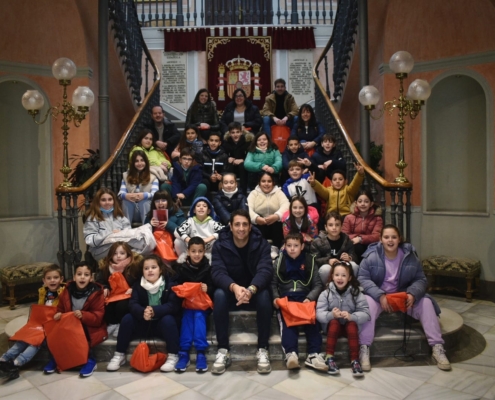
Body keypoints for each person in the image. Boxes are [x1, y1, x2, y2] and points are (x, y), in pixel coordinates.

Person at [357, 225, 451, 372]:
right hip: (379, 297)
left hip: (403, 296)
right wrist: (379, 295)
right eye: (386, 237)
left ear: (399, 239)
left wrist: (412, 293)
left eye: (394, 237)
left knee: (426, 302)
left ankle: (437, 347)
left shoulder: (410, 255)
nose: (390, 240)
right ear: (380, 239)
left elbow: (421, 279)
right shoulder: (371, 256)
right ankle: (364, 348)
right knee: (366, 304)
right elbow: (362, 278)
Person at [210, 210, 274, 375]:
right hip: (232, 292)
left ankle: (262, 349)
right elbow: (217, 272)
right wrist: (234, 287)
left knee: (266, 295)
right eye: (237, 224)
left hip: (254, 290)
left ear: (250, 227)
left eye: (245, 224)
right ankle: (223, 350)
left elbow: (266, 270)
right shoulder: (220, 245)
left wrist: (251, 289)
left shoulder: (261, 244)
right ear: (230, 227)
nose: (241, 228)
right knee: (218, 294)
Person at [106, 255, 182, 372]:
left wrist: (154, 311)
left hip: (161, 325)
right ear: (142, 271)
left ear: (160, 269)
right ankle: (119, 354)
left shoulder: (169, 284)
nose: (150, 270)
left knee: (169, 320)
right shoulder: (138, 285)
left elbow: (173, 306)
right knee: (127, 319)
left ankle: (173, 355)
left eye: (153, 267)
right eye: (146, 268)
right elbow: (133, 304)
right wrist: (143, 312)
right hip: (144, 322)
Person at [272, 233, 326, 372]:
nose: (292, 249)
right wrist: (276, 298)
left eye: (296, 246)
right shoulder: (279, 260)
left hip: (305, 297)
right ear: (284, 246)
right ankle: (291, 354)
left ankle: (313, 355)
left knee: (312, 323)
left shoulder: (310, 260)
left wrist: (310, 298)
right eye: (289, 245)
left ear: (302, 246)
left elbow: (318, 285)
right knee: (288, 324)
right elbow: (273, 283)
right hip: (286, 299)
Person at [0, 265, 65, 380]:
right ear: (44, 281)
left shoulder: (64, 293)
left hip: (53, 326)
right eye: (49, 278)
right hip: (40, 324)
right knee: (24, 339)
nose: (52, 280)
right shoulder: (43, 292)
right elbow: (40, 309)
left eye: (56, 277)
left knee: (35, 343)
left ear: (61, 279)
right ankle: (4, 359)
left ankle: (16, 363)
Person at [44, 262, 106, 377]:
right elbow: (60, 308)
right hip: (71, 325)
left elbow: (98, 317)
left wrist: (83, 315)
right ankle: (57, 358)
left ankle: (90, 360)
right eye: (79, 274)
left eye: (86, 275)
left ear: (91, 278)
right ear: (74, 277)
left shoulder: (96, 293)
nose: (82, 277)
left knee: (84, 331)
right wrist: (58, 314)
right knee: (57, 330)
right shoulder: (66, 291)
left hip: (90, 326)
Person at [316, 261, 370, 377]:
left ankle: (355, 360)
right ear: (332, 277)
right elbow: (319, 314)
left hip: (349, 329)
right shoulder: (326, 293)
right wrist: (331, 315)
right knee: (334, 322)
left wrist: (352, 316)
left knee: (351, 324)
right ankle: (329, 357)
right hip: (332, 328)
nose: (340, 278)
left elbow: (365, 313)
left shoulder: (356, 293)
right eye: (337, 275)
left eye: (344, 275)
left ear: (349, 278)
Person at [172, 237, 215, 373]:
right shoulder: (180, 267)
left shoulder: (209, 267)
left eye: (200, 251)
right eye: (194, 251)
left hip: (203, 306)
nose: (197, 254)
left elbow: (216, 285)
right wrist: (182, 289)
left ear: (204, 252)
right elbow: (173, 285)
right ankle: (184, 352)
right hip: (186, 305)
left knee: (198, 316)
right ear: (188, 252)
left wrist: (208, 288)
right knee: (186, 318)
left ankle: (200, 352)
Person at [97, 242, 142, 338]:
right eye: (115, 253)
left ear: (128, 254)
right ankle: (112, 324)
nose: (118, 256)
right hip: (112, 295)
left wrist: (133, 288)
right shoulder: (106, 267)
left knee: (122, 306)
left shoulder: (134, 266)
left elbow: (139, 280)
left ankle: (121, 325)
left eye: (122, 253)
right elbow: (100, 280)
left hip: (127, 294)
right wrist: (105, 287)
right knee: (107, 306)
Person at [310, 212, 357, 285]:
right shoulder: (317, 242)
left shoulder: (346, 240)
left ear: (341, 227)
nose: (334, 228)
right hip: (329, 268)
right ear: (326, 227)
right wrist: (328, 260)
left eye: (337, 225)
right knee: (325, 269)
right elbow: (314, 259)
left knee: (354, 265)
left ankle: (350, 287)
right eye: (330, 225)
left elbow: (354, 255)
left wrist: (349, 257)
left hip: (343, 268)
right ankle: (328, 289)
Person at [84, 188, 131, 261]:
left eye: (110, 199)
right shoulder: (92, 218)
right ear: (98, 202)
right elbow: (90, 240)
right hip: (100, 250)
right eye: (103, 200)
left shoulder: (120, 216)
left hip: (120, 247)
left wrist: (121, 234)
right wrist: (109, 233)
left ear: (114, 201)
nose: (107, 202)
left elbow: (129, 232)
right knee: (119, 250)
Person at [247, 172, 289, 249]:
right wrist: (256, 218)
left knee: (278, 221)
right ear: (259, 183)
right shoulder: (253, 193)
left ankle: (276, 248)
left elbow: (286, 205)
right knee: (257, 218)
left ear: (273, 183)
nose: (266, 184)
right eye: (263, 181)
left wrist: (277, 216)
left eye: (269, 181)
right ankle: (260, 249)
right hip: (259, 225)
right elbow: (248, 208)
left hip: (275, 226)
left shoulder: (278, 192)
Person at [119, 150, 159, 224]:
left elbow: (156, 194)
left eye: (142, 160)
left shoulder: (153, 177)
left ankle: (147, 227)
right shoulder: (126, 176)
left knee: (144, 200)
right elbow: (120, 194)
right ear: (133, 163)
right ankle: (126, 228)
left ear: (146, 162)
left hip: (146, 210)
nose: (139, 163)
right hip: (132, 210)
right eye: (136, 161)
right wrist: (127, 195)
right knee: (126, 201)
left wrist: (144, 195)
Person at [342, 189, 383, 262]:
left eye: (366, 201)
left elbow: (377, 236)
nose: (363, 204)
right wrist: (357, 239)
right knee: (357, 247)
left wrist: (360, 239)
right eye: (360, 201)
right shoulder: (349, 217)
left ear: (371, 204)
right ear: (356, 203)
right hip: (354, 247)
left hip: (371, 246)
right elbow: (344, 235)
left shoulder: (377, 218)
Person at [222, 121, 252, 193]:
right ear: (229, 133)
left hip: (243, 168)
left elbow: (251, 155)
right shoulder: (226, 142)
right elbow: (222, 153)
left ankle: (243, 190)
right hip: (231, 166)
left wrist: (243, 160)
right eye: (233, 132)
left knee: (242, 165)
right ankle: (229, 187)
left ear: (241, 132)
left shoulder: (248, 142)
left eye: (237, 132)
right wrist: (228, 158)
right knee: (229, 164)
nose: (235, 134)